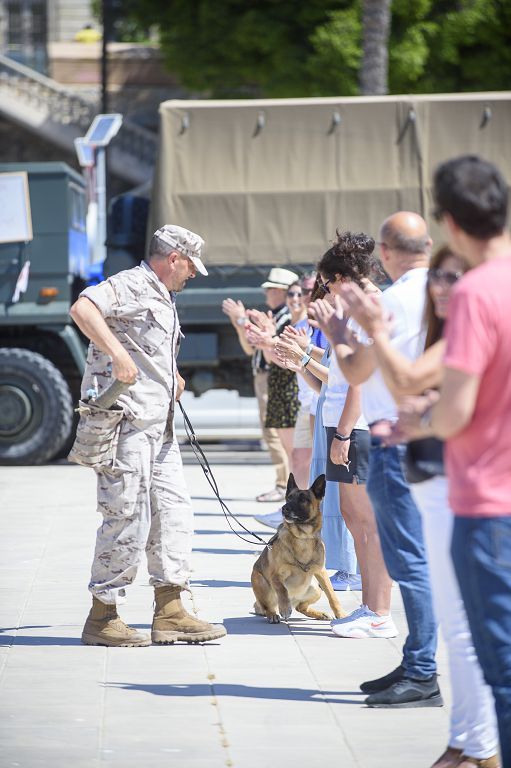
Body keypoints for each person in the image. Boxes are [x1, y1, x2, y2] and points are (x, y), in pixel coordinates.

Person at [342, 245, 499, 766]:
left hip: (480, 494)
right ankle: (468, 745)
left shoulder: (474, 322)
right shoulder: (449, 331)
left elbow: (418, 389)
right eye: (440, 277)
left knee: (477, 631)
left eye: (454, 277)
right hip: (450, 485)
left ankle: (470, 741)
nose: (441, 286)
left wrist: (374, 333)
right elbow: (416, 386)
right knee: (463, 630)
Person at [397, 155, 511, 765]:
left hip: (487, 502)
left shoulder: (475, 292)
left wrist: (422, 421)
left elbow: (456, 411)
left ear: (450, 222)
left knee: (502, 670)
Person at [70, 225, 227, 647]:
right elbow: (83, 309)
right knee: (127, 517)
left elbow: (149, 346)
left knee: (174, 514)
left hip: (160, 427)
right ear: (174, 257)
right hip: (126, 426)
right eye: (191, 265)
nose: (193, 274)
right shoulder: (132, 283)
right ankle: (103, 615)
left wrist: (170, 374)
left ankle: (171, 609)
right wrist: (119, 357)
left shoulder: (163, 295)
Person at [313, 212, 440, 707]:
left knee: (408, 558)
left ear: (385, 254)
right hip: (440, 438)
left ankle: (422, 669)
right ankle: (417, 661)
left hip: (392, 437)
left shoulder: (392, 302)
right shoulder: (450, 291)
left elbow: (357, 371)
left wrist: (340, 335)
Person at [296, 231, 395, 637]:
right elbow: (341, 374)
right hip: (344, 423)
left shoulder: (370, 306)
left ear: (342, 278)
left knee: (369, 524)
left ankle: (379, 611)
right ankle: (369, 608)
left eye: (329, 283)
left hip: (356, 426)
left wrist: (341, 434)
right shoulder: (355, 308)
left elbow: (361, 380)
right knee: (356, 521)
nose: (327, 291)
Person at [222, 267, 298, 503]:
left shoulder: (285, 318)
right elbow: (250, 349)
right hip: (266, 377)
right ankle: (283, 483)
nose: (266, 294)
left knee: (276, 434)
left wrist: (244, 321)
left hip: (276, 379)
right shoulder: (275, 316)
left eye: (271, 289)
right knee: (272, 433)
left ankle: (284, 484)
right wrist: (239, 324)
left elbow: (268, 352)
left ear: (281, 291)